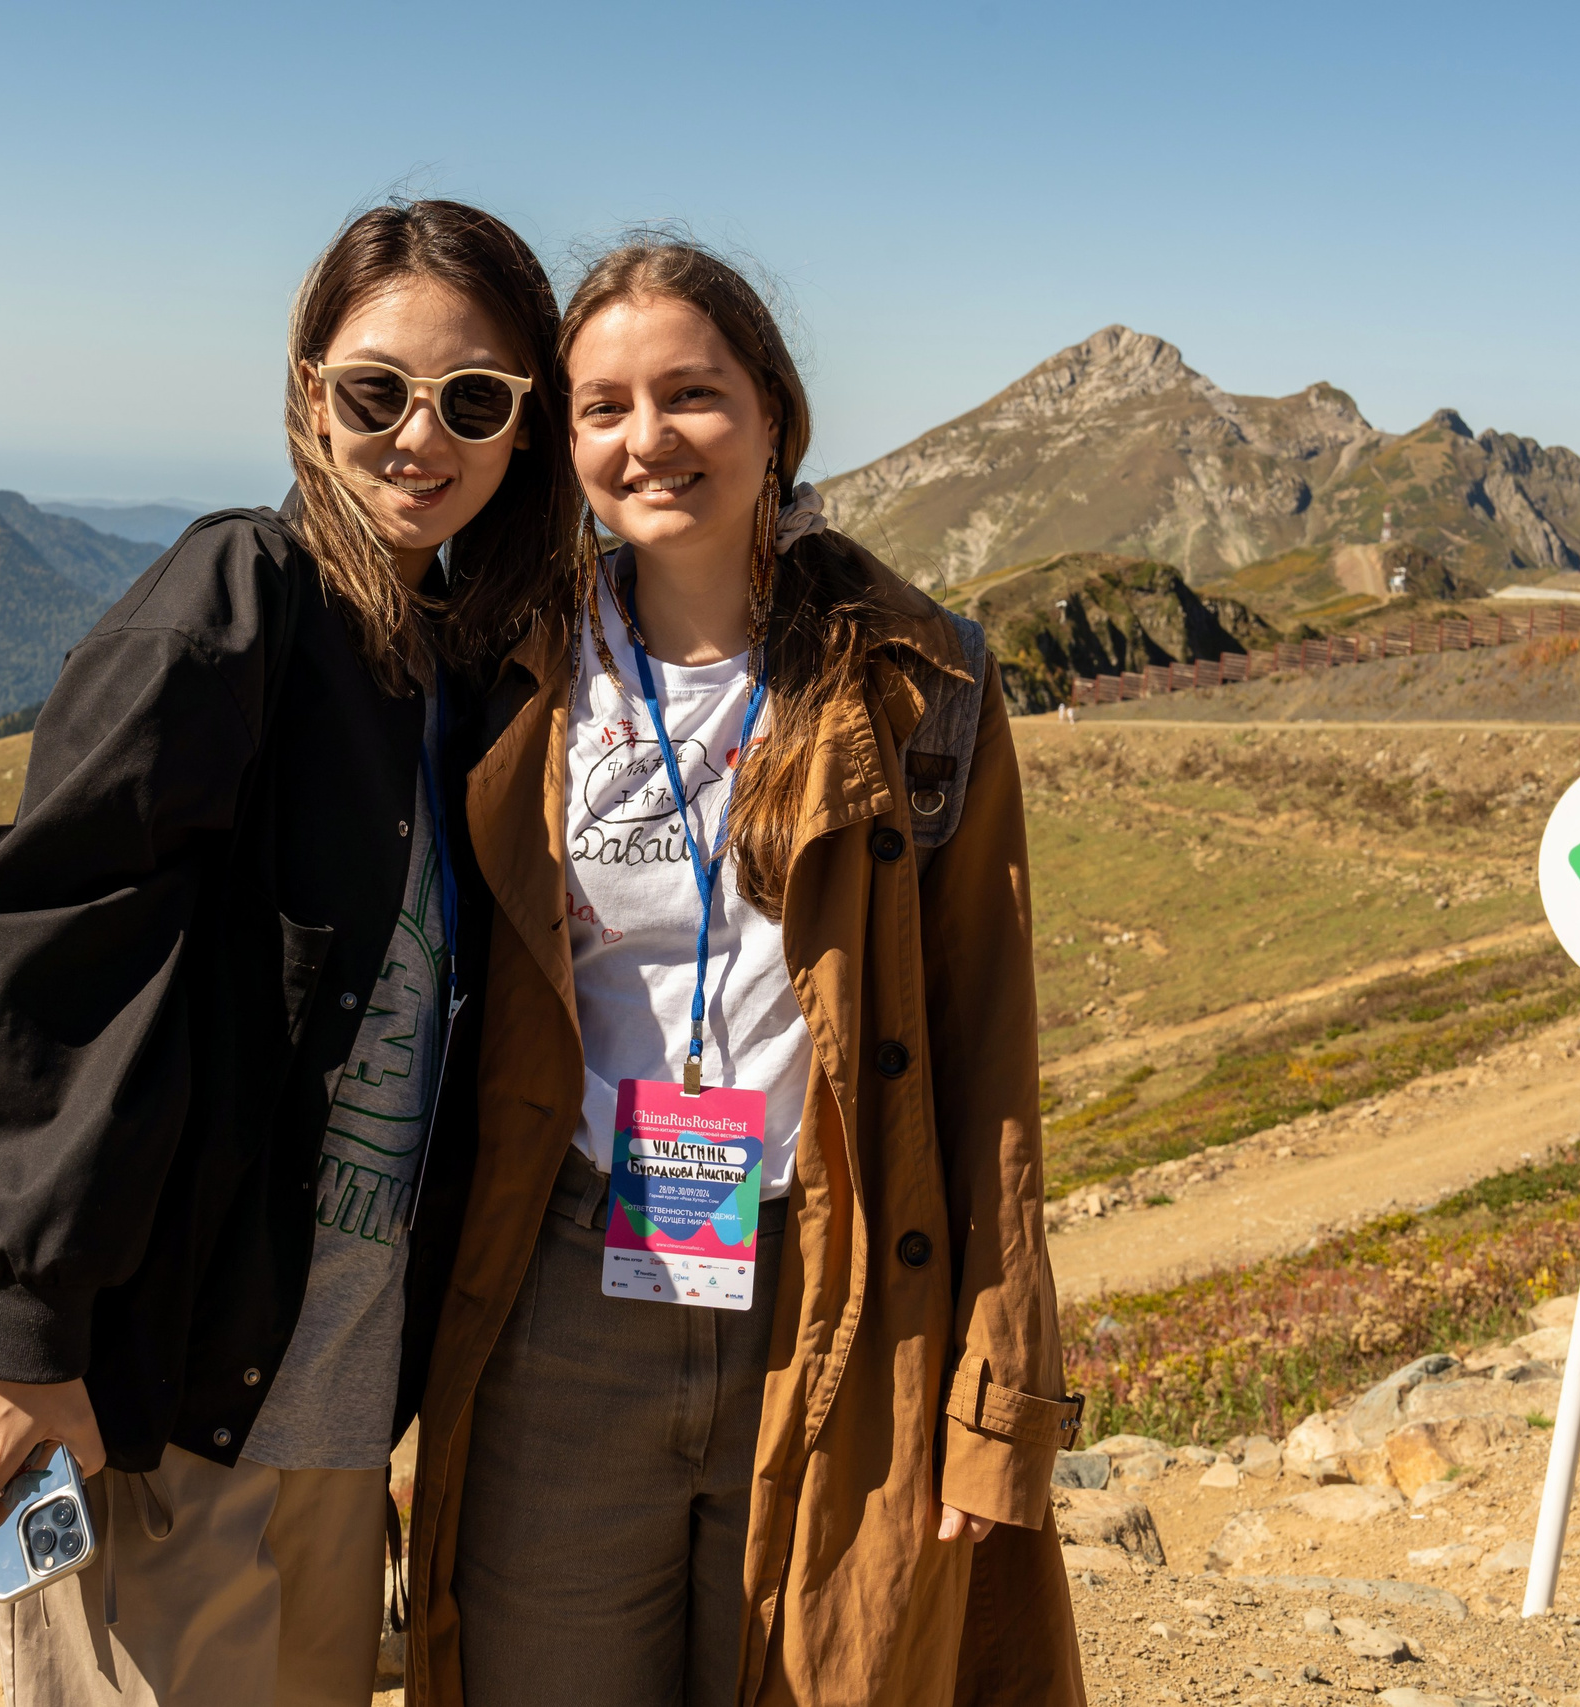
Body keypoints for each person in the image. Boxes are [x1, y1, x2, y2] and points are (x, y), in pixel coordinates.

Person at [403, 238, 1085, 1705]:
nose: (647, 439)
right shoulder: (506, 665)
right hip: (568, 1281)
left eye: (691, 394)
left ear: (774, 413)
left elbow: (990, 1060)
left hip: (832, 1287)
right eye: (602, 407)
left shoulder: (922, 684)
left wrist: (997, 1398)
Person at [0, 199, 574, 1707]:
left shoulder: (449, 665)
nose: (422, 435)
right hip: (158, 1398)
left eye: (474, 400)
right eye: (375, 391)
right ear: (305, 392)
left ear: (524, 428)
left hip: (331, 1404)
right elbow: (45, 936)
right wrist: (19, 1329)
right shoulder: (242, 600)